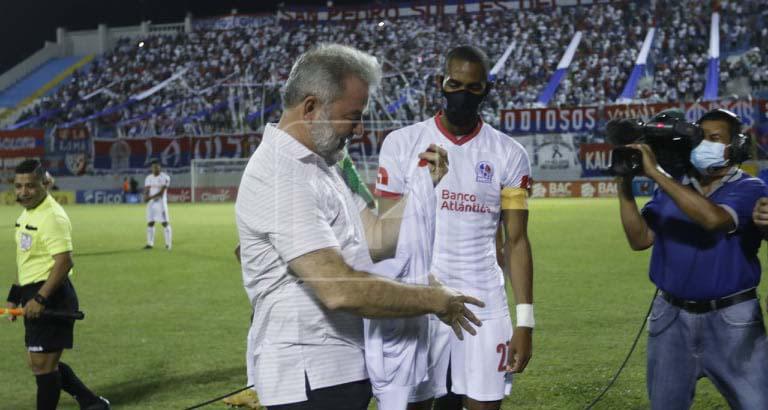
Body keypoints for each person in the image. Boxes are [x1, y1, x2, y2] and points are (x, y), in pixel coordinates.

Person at [235, 43, 483, 410]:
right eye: (353, 115)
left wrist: (421, 190)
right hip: (307, 378)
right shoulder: (279, 172)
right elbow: (339, 290)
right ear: (310, 107)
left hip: (342, 368)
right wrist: (432, 301)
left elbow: (375, 239)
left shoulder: (327, 165)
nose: (360, 128)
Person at [375, 45, 534, 410]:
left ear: (486, 90)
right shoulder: (401, 144)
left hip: (484, 303)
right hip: (420, 299)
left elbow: (518, 240)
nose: (462, 94)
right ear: (440, 83)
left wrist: (525, 321)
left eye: (473, 87)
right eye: (454, 83)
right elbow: (385, 236)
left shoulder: (509, 153)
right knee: (412, 405)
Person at [617, 108, 768, 409]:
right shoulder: (676, 187)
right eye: (702, 138)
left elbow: (712, 219)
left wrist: (657, 174)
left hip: (732, 319)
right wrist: (623, 187)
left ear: (735, 146)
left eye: (715, 138)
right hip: (670, 318)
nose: (705, 144)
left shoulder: (749, 188)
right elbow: (640, 239)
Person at [5, 159, 110, 410]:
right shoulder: (28, 212)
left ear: (44, 184)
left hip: (52, 296)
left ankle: (93, 403)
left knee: (43, 367)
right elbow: (27, 259)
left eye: (30, 186)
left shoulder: (52, 216)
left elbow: (64, 263)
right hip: (33, 291)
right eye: (18, 186)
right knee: (39, 363)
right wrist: (15, 295)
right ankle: (92, 403)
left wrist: (40, 299)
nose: (23, 192)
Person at [143, 160, 172, 250]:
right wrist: (145, 196)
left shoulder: (165, 177)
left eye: (157, 166)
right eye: (153, 167)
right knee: (150, 223)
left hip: (161, 203)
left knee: (164, 223)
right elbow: (147, 189)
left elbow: (161, 193)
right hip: (151, 204)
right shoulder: (148, 178)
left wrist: (149, 197)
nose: (155, 168)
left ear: (160, 167)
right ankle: (150, 244)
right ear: (151, 168)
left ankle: (168, 244)